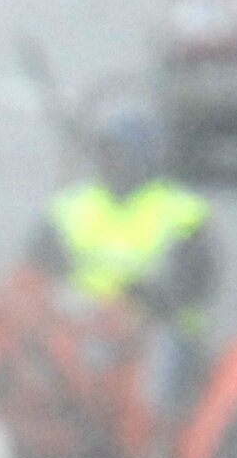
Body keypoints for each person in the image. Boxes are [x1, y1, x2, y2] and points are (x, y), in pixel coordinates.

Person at [27, 109, 218, 417]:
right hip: (77, 322)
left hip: (155, 327)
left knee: (152, 374)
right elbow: (35, 271)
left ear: (145, 158)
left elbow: (191, 287)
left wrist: (140, 301)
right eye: (105, 153)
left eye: (120, 154)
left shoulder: (183, 214)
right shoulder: (72, 206)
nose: (111, 162)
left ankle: (153, 443)